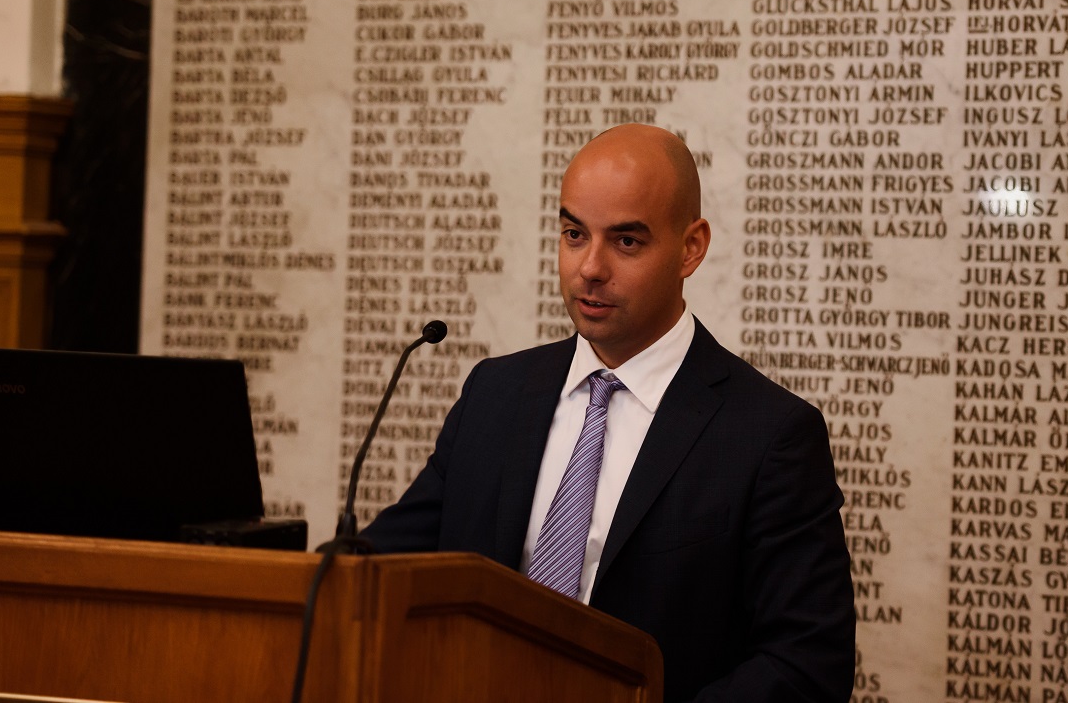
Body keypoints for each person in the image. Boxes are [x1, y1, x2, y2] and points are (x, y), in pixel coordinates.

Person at [362, 123, 856, 702]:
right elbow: (379, 567)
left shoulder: (770, 435)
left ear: (691, 248)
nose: (590, 268)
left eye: (626, 242)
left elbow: (807, 663)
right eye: (574, 234)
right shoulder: (494, 394)